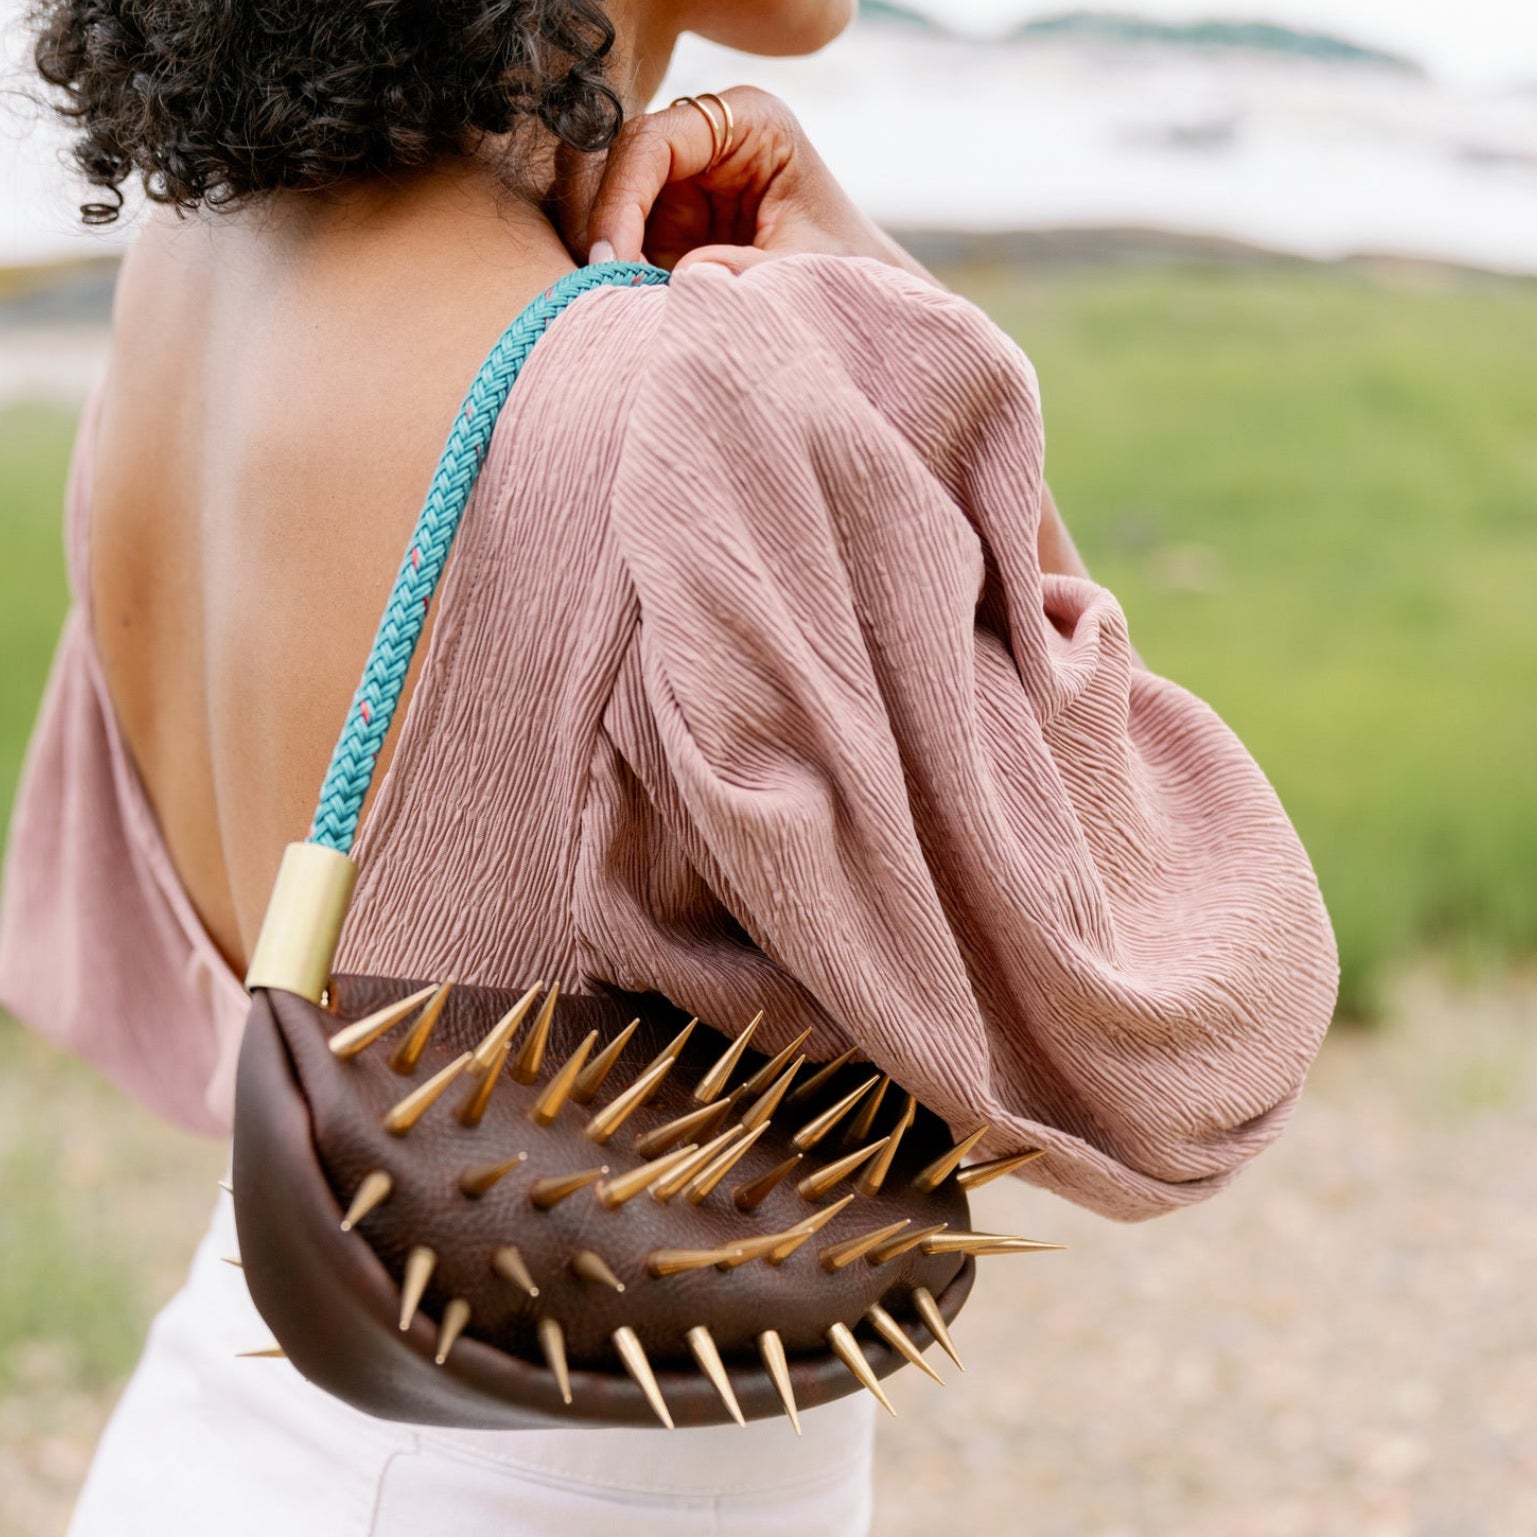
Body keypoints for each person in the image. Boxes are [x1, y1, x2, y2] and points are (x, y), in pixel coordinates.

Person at [0, 1, 1338, 1532]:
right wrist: (887, 317)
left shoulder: (193, 260)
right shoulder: (670, 399)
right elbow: (1181, 1045)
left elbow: (158, 960)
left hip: (225, 1433)